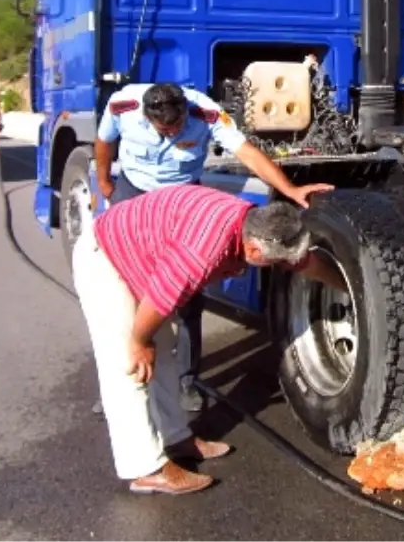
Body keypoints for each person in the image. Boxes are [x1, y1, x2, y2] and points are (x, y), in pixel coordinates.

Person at [73, 182, 345, 494]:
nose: (284, 267)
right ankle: (144, 467)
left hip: (140, 258)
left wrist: (348, 287)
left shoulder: (258, 225)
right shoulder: (204, 248)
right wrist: (138, 342)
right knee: (129, 365)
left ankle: (175, 438)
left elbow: (306, 262)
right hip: (106, 259)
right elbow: (162, 297)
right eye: (277, 263)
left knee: (164, 353)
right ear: (255, 250)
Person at [92, 81, 332, 413]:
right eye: (161, 129)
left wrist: (289, 189)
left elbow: (246, 152)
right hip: (135, 190)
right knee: (124, 295)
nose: (169, 135)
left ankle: (187, 381)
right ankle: (119, 382)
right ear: (147, 117)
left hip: (183, 200)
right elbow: (104, 142)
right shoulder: (124, 105)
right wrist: (104, 182)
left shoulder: (205, 112)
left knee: (188, 295)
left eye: (176, 128)